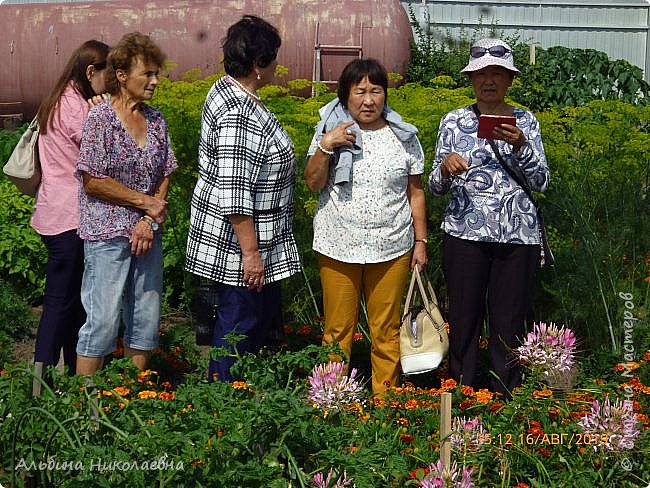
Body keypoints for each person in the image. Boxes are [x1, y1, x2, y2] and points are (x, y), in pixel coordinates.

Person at [428, 38, 550, 396]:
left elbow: (542, 181)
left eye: (497, 73)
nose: (489, 81)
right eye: (481, 74)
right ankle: (462, 391)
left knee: (508, 321)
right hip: (464, 233)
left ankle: (504, 394)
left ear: (510, 80)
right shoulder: (453, 121)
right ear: (471, 80)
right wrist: (446, 169)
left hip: (517, 236)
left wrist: (521, 146)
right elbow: (435, 186)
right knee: (463, 318)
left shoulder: (526, 120)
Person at [185, 15, 300, 382]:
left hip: (248, 242)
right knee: (237, 332)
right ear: (257, 63)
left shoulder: (230, 93)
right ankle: (224, 410)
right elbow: (235, 193)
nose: (278, 65)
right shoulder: (239, 113)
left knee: (243, 329)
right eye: (273, 57)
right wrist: (251, 256)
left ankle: (233, 400)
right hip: (238, 249)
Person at [304, 58, 428, 395]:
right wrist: (326, 146)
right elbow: (313, 183)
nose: (369, 100)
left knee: (385, 331)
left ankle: (386, 410)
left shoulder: (404, 137)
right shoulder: (330, 132)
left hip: (392, 247)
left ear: (386, 95)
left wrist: (421, 242)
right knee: (337, 331)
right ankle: (331, 403)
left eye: (376, 91)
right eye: (360, 91)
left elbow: (415, 193)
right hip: (338, 244)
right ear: (346, 95)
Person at [75, 32, 177, 376]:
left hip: (148, 233)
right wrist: (143, 202)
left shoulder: (156, 119)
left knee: (145, 319)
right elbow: (93, 179)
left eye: (156, 74)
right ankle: (86, 408)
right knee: (102, 321)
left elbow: (166, 170)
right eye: (146, 74)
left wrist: (149, 219)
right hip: (106, 233)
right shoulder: (100, 119)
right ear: (122, 76)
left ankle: (133, 397)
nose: (154, 80)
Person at [31, 40, 110, 378]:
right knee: (61, 302)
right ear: (91, 71)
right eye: (110, 74)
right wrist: (106, 114)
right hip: (70, 216)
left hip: (55, 211)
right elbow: (101, 154)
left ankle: (67, 376)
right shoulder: (78, 108)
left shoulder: (57, 99)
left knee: (69, 302)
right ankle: (41, 380)